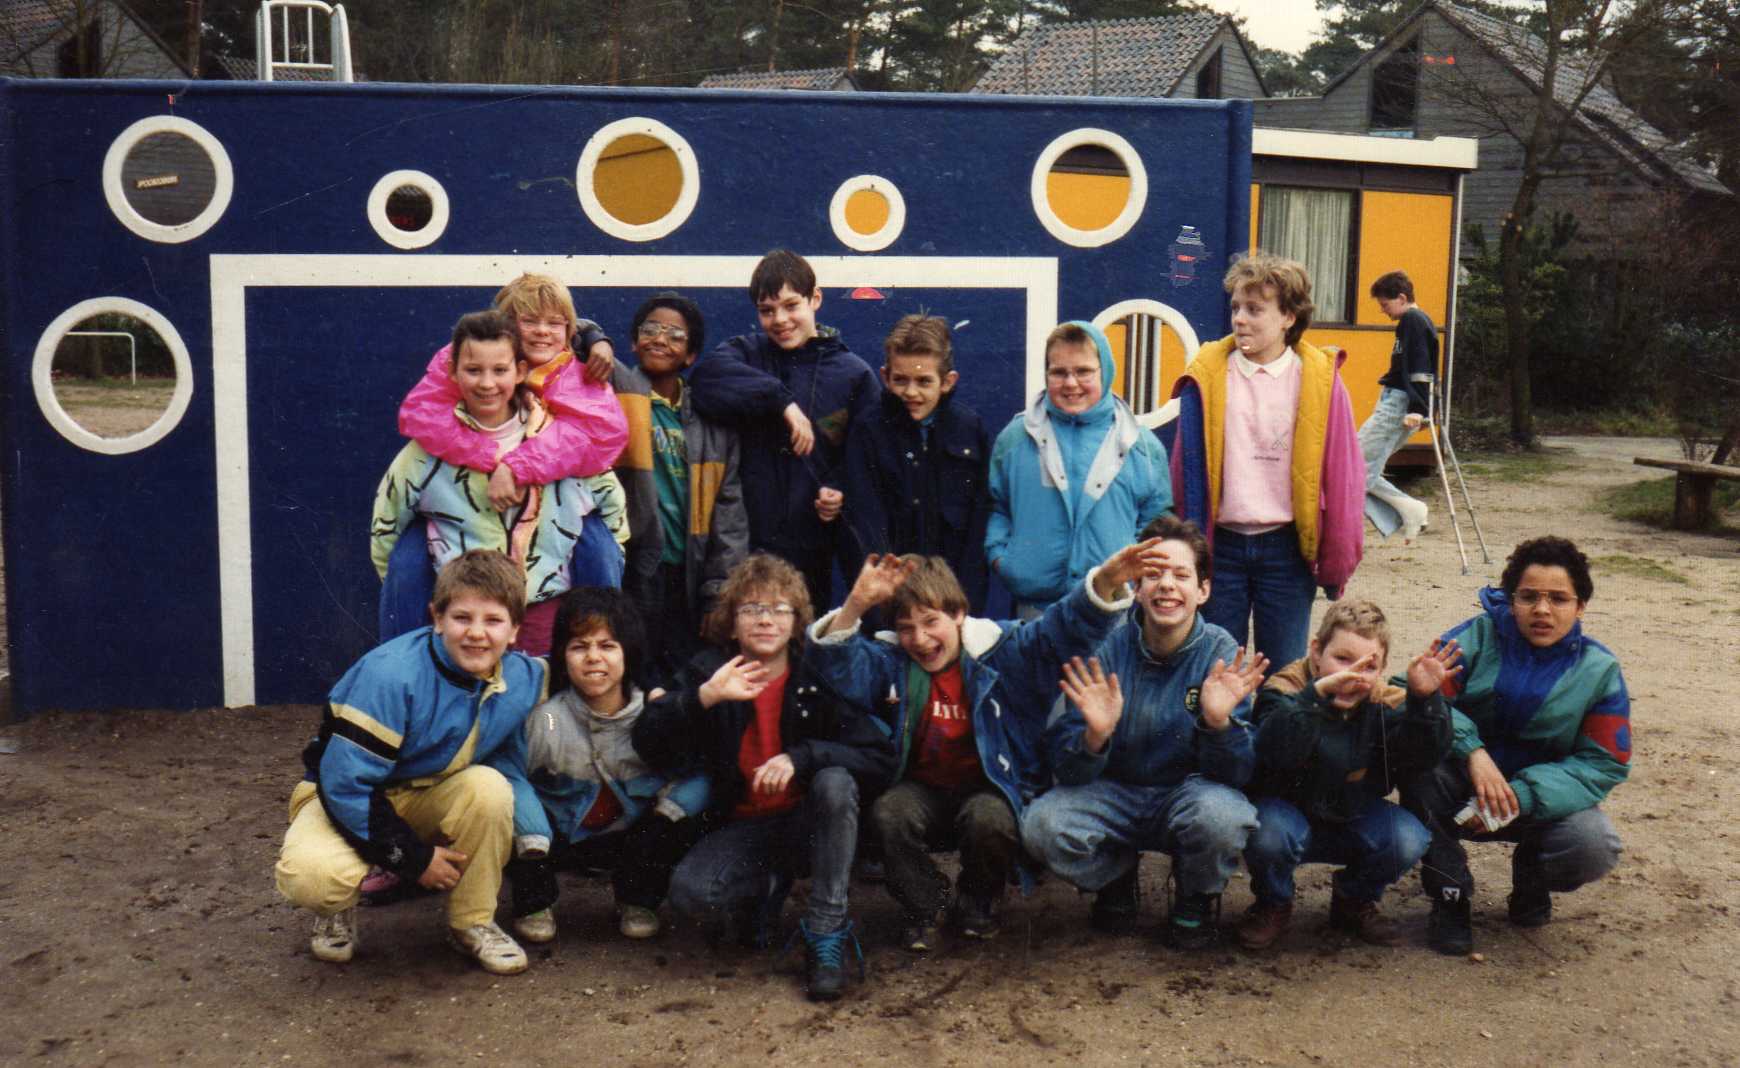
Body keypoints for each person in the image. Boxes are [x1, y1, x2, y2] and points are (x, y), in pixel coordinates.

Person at [805, 540, 1157, 951]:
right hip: (923, 789)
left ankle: (977, 900)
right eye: (906, 627)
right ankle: (927, 904)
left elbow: (1059, 630)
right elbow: (839, 667)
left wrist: (1106, 583)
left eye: (930, 621)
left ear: (958, 614)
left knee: (990, 819)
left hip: (991, 787)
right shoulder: (892, 661)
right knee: (888, 813)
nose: (919, 639)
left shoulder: (1004, 650)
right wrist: (855, 605)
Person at [631, 554, 896, 1001]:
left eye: (778, 609)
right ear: (732, 624)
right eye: (751, 609)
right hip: (745, 825)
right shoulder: (710, 671)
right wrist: (704, 698)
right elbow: (648, 741)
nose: (765, 619)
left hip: (812, 821)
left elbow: (880, 755)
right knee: (694, 896)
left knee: (835, 780)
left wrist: (802, 757)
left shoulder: (815, 672)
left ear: (796, 623)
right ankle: (770, 887)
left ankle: (825, 931)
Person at [274, 550, 545, 975]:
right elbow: (346, 784)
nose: (477, 633)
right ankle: (336, 908)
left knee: (489, 789)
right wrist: (414, 860)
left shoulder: (522, 676)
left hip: (428, 794)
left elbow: (576, 671)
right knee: (313, 879)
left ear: (514, 630)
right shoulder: (391, 674)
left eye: (493, 620)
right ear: (436, 617)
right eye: (461, 617)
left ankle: (471, 922)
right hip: (342, 794)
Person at [1021, 515, 1264, 949]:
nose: (1167, 585)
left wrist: (1218, 724)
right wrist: (1094, 737)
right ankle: (1116, 876)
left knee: (1224, 818)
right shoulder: (1106, 645)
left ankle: (1194, 895)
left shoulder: (1222, 653)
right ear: (1137, 588)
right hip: (1115, 792)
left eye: (1181, 575)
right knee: (1043, 825)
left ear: (1203, 590)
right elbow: (1066, 765)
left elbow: (1239, 774)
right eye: (1153, 574)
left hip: (1187, 794)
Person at [1403, 536, 1629, 955]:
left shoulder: (1599, 670)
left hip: (1536, 803)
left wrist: (1521, 796)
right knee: (1419, 768)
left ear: (1581, 606)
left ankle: (1532, 879)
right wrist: (1473, 752)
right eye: (1528, 597)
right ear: (1510, 600)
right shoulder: (1476, 638)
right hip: (1459, 785)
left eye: (1559, 599)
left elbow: (1603, 762)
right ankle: (1450, 896)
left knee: (1593, 843)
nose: (1542, 610)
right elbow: (1413, 689)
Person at [380, 273, 631, 642]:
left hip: (550, 524)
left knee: (598, 545)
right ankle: (402, 666)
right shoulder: (463, 357)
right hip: (473, 532)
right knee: (409, 558)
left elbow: (604, 432)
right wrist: (490, 457)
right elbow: (422, 413)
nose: (543, 332)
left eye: (554, 324)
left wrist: (517, 466)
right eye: (529, 321)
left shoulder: (576, 374)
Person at [1169, 252, 1365, 671]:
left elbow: (1345, 476)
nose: (1240, 319)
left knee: (1285, 671)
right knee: (1217, 666)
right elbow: (1182, 470)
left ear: (1289, 317)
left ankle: (1276, 737)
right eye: (1236, 307)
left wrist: (1337, 560)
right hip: (1220, 546)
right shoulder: (1206, 376)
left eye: (1255, 310)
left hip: (1287, 549)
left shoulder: (1319, 380)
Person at [488, 587, 709, 944]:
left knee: (676, 815)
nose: (593, 658)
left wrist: (668, 812)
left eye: (607, 646)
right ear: (562, 654)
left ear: (628, 653)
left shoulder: (652, 715)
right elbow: (508, 769)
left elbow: (697, 772)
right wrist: (532, 826)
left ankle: (638, 899)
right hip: (556, 831)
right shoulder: (547, 719)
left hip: (628, 829)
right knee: (514, 812)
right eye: (579, 647)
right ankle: (534, 902)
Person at [1235, 599, 1459, 950]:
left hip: (1350, 814)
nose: (1353, 676)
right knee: (1267, 833)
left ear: (1383, 669)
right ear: (1315, 652)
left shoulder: (1383, 699)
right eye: (1341, 659)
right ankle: (1273, 901)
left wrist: (1425, 702)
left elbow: (1425, 755)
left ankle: (1354, 900)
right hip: (1286, 815)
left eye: (1368, 666)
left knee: (1408, 837)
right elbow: (1275, 750)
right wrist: (1316, 698)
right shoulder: (1285, 688)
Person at [687, 249, 880, 609]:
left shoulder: (854, 373)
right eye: (767, 310)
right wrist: (782, 401)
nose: (780, 320)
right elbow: (704, 379)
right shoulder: (745, 353)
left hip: (813, 551)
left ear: (816, 299)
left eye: (792, 305)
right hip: (745, 545)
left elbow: (868, 455)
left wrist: (839, 489)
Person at [607, 292, 749, 683]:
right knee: (634, 674)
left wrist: (719, 593)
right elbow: (571, 330)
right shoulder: (615, 394)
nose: (660, 339)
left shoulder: (713, 421)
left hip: (691, 573)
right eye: (650, 330)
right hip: (635, 568)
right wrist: (595, 341)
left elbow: (730, 514)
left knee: (687, 680)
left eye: (675, 335)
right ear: (634, 342)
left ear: (690, 356)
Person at [985, 320, 1172, 616]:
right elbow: (997, 507)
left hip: (1112, 608)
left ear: (1106, 371)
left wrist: (1133, 574)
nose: (1071, 383)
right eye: (1059, 372)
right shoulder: (1016, 437)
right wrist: (1004, 560)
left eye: (1083, 371)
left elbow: (1158, 519)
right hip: (1034, 608)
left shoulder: (1141, 445)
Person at [840, 314, 992, 612]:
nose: (911, 392)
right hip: (888, 607)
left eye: (924, 381)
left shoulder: (970, 429)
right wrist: (880, 609)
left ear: (948, 381)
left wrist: (965, 611)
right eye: (900, 380)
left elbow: (978, 530)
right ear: (885, 377)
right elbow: (865, 527)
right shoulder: (867, 431)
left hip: (952, 606)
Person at [1359, 270, 1435, 542]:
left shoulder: (1413, 320)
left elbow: (1421, 366)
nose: (1383, 311)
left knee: (1353, 467)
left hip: (1400, 401)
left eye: (1385, 304)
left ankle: (1339, 531)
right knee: (1360, 467)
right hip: (1397, 398)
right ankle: (1410, 509)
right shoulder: (1413, 320)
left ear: (1402, 298)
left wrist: (1417, 408)